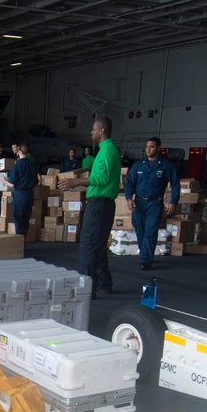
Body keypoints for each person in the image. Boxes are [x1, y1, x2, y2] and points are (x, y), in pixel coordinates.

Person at [58, 117, 121, 296]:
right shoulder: (105, 150)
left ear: (102, 131)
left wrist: (75, 181)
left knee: (88, 245)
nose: (91, 132)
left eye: (94, 129)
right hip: (101, 204)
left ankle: (87, 289)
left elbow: (102, 179)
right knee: (98, 246)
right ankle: (104, 283)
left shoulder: (107, 150)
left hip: (99, 205)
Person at [124, 136, 179, 270]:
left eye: (152, 147)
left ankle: (145, 260)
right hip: (138, 203)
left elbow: (175, 184)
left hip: (154, 204)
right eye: (147, 147)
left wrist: (173, 202)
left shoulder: (166, 165)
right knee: (140, 230)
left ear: (159, 148)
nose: (148, 149)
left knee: (150, 231)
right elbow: (130, 182)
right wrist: (129, 198)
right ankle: (145, 255)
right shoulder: (139, 164)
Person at [4, 142, 38, 236]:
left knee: (18, 219)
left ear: (19, 150)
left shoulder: (17, 166)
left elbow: (11, 184)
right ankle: (24, 239)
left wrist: (3, 180)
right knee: (26, 219)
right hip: (30, 194)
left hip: (20, 194)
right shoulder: (32, 165)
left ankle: (19, 241)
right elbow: (36, 181)